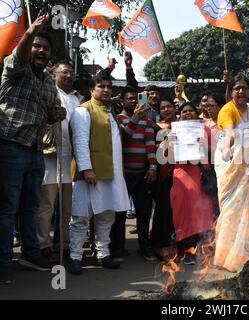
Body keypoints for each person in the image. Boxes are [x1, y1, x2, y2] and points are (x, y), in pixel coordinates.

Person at [0, 14, 67, 285]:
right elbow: (19, 55)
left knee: (30, 207)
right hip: (10, 147)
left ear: (50, 55)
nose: (40, 51)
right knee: (6, 209)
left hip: (35, 151)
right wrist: (30, 32)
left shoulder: (49, 83)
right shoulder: (15, 68)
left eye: (45, 48)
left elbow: (48, 115)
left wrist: (56, 114)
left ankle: (30, 253)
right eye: (37, 46)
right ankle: (4, 261)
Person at [68, 75, 130, 275]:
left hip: (111, 174)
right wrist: (86, 169)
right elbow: (79, 142)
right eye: (101, 86)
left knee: (107, 216)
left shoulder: (110, 111)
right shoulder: (82, 111)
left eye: (109, 87)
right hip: (90, 175)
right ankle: (76, 256)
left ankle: (102, 254)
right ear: (91, 89)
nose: (106, 90)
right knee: (80, 217)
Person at [214, 74, 249, 272]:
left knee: (248, 209)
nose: (240, 91)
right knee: (230, 210)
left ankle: (243, 254)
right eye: (237, 88)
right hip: (229, 161)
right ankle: (224, 256)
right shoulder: (227, 110)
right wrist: (227, 148)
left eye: (244, 88)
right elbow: (230, 132)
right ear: (232, 91)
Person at [37, 61, 79, 262]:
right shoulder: (49, 92)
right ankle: (43, 244)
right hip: (50, 156)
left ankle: (64, 244)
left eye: (71, 73)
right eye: (64, 72)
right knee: (47, 205)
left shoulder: (77, 99)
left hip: (69, 159)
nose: (69, 76)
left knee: (67, 207)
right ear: (54, 75)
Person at [170, 102, 216, 265]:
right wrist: (171, 141)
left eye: (191, 111)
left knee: (203, 213)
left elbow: (216, 151)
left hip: (201, 175)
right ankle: (186, 251)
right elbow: (167, 155)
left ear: (197, 114)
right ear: (180, 115)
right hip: (182, 176)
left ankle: (203, 249)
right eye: (184, 112)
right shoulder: (173, 132)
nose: (188, 114)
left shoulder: (206, 130)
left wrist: (203, 144)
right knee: (183, 213)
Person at [115, 86, 157, 261]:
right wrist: (135, 118)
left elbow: (150, 145)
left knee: (144, 212)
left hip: (143, 174)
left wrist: (153, 167)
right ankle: (117, 248)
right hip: (123, 174)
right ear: (123, 101)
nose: (133, 101)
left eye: (135, 98)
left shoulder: (147, 121)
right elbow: (125, 137)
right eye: (129, 98)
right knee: (120, 213)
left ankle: (144, 246)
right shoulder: (118, 119)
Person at [151, 100, 178, 261]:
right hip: (162, 172)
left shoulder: (183, 126)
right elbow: (151, 148)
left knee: (177, 210)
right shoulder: (156, 128)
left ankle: (176, 243)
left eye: (169, 106)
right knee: (163, 209)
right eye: (163, 108)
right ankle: (160, 245)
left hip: (181, 172)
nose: (166, 109)